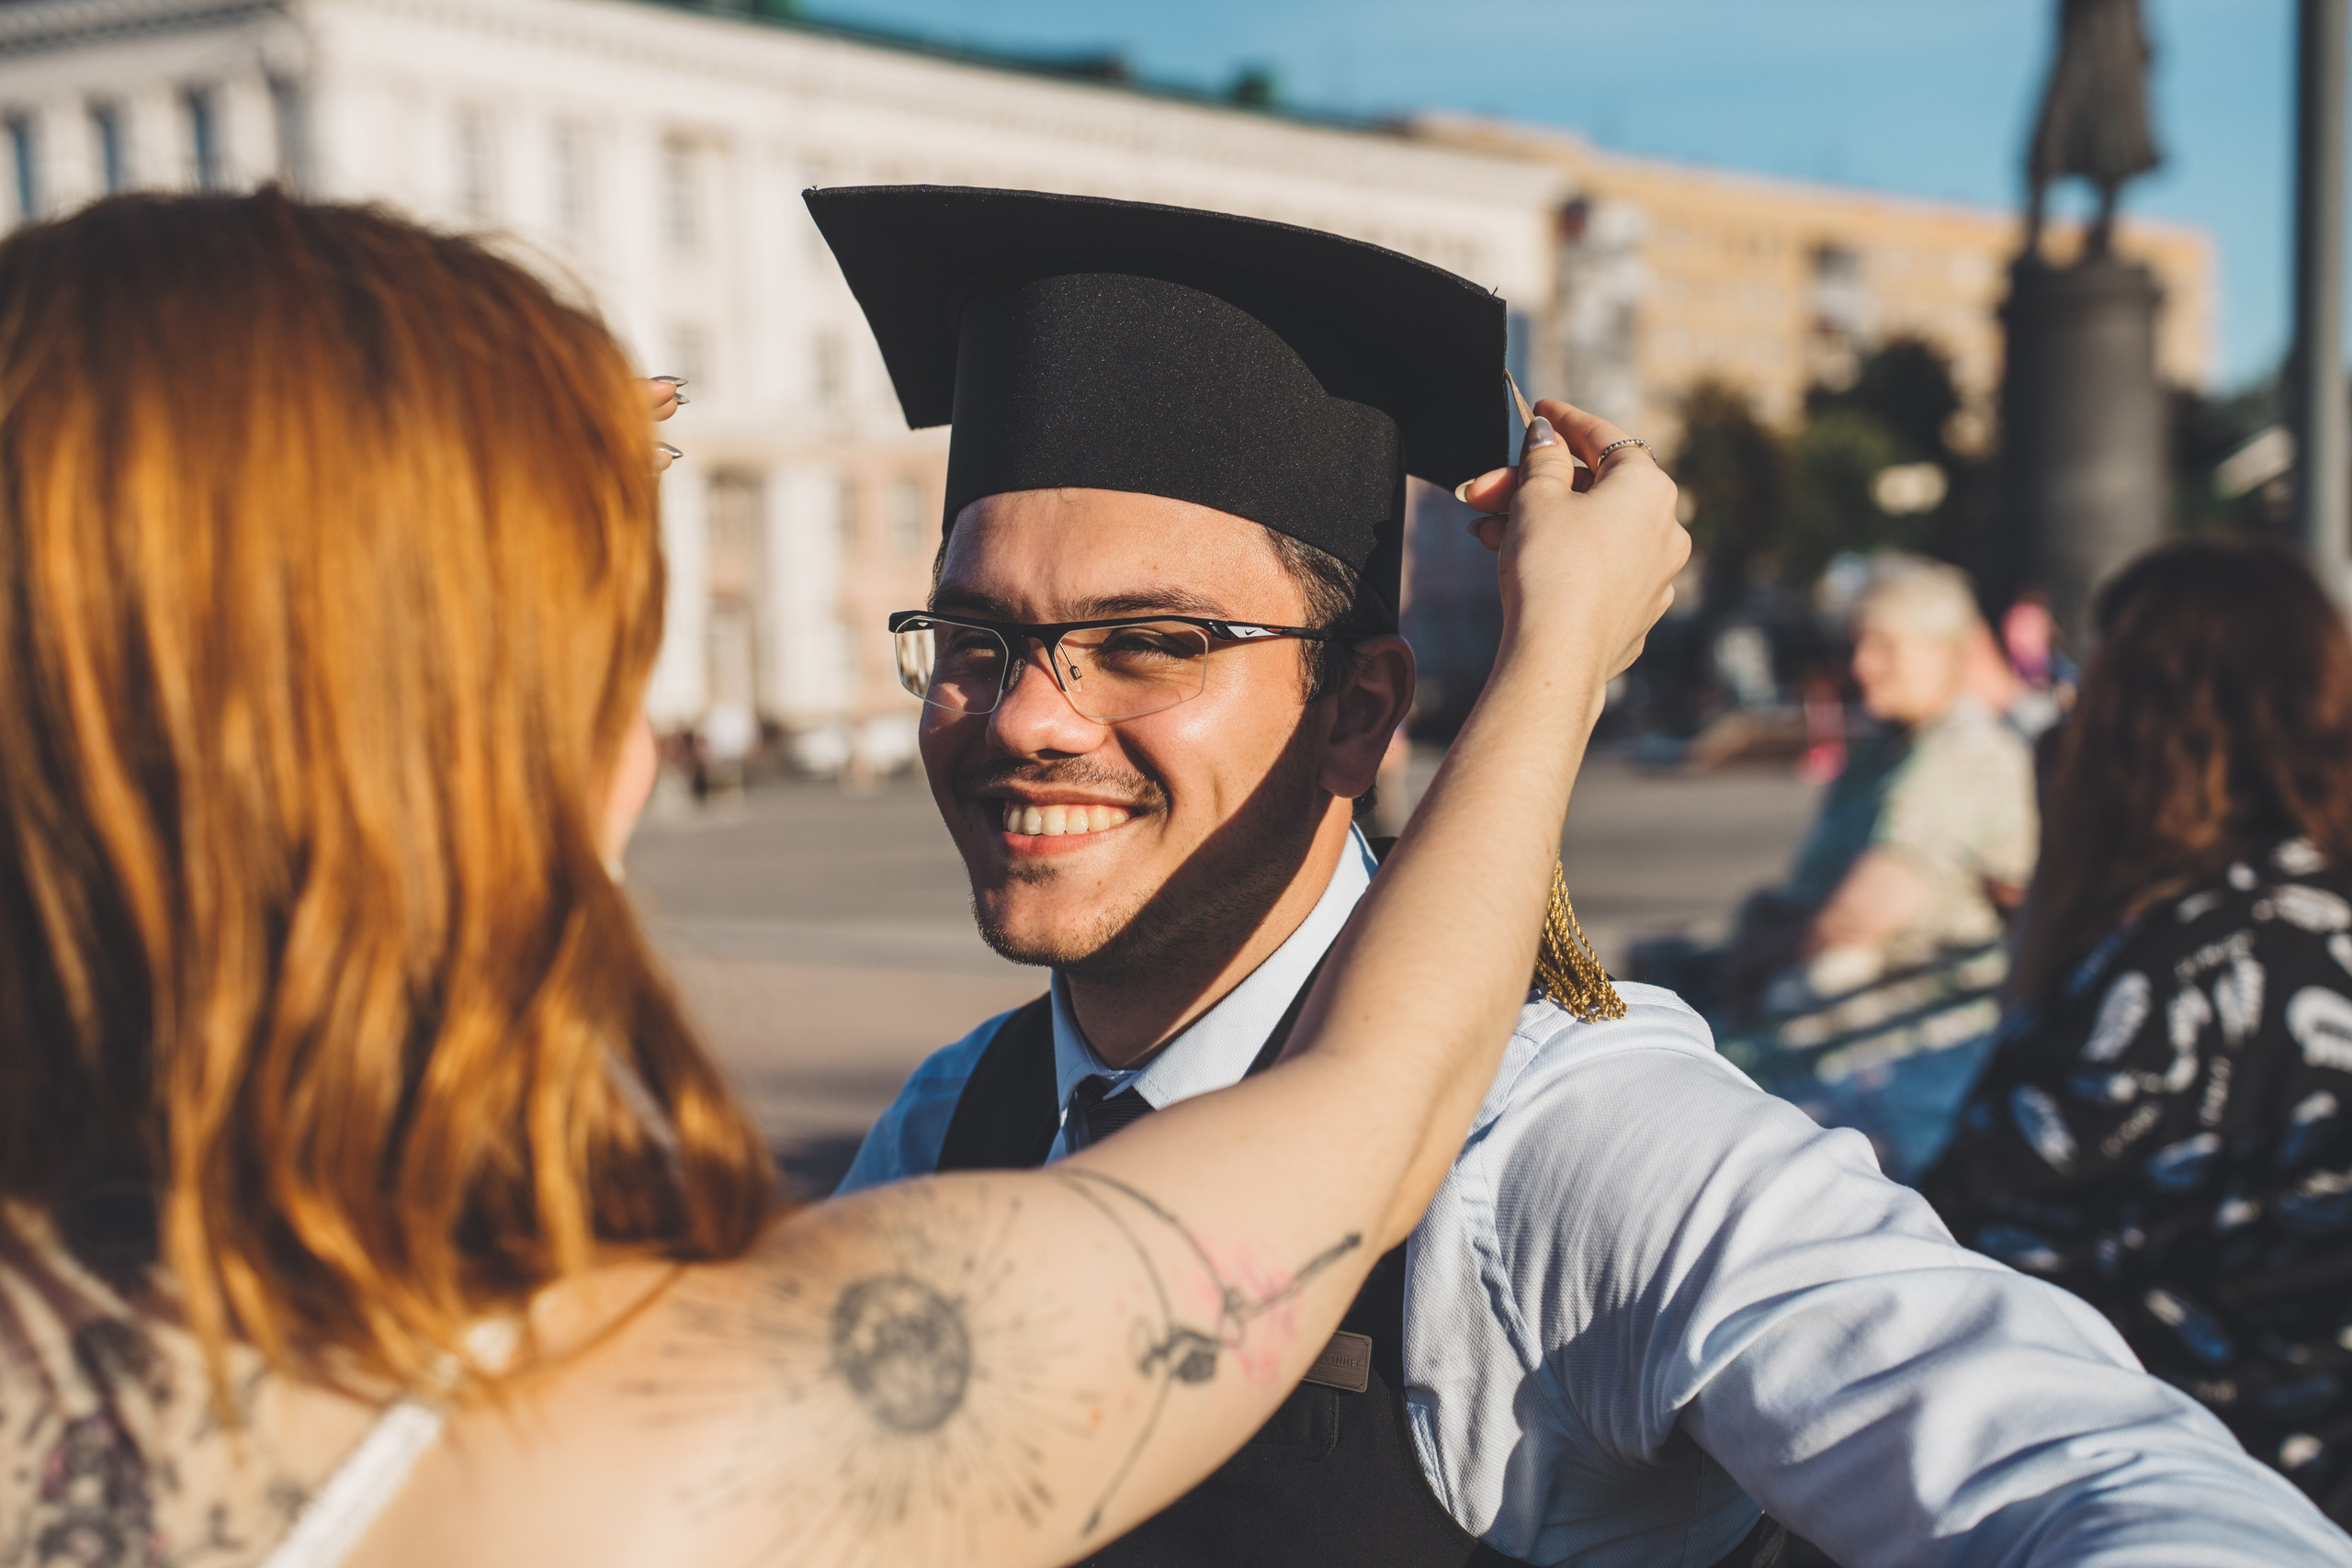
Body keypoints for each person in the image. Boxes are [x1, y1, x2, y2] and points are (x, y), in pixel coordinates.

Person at [0, 190, 1690, 1568]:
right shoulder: (633, 1434)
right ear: (425, 774)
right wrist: (1563, 653)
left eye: (1148, 641)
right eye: (590, 678)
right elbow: (1369, 1111)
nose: (635, 753)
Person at [829, 186, 2350, 1567]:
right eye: (977, 640)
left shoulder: (1557, 1148)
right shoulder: (954, 1120)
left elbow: (2095, 1470)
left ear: (1360, 709)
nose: (1027, 717)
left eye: (1152, 642)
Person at [1923, 538, 2352, 1529]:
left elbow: (1960, 1239)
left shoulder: (2184, 962)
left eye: (2092, 682)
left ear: (2144, 722)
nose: (2067, 714)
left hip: (2186, 1466)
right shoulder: (2305, 909)